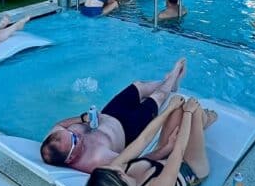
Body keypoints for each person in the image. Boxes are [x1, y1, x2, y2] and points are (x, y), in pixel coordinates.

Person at [41, 58, 187, 173]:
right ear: (71, 158)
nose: (77, 135)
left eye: (71, 132)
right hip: (130, 128)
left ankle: (170, 84)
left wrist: (81, 119)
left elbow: (59, 125)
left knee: (139, 85)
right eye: (74, 139)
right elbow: (133, 163)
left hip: (109, 113)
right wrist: (166, 149)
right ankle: (173, 77)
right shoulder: (96, 161)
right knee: (158, 96)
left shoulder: (55, 140)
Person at [86, 95, 216, 186]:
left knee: (178, 108)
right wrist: (188, 113)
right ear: (120, 176)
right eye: (111, 168)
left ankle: (197, 124)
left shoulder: (117, 174)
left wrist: (169, 109)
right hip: (190, 167)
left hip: (165, 154)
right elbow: (179, 151)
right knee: (195, 111)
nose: (113, 164)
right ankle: (204, 120)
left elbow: (143, 139)